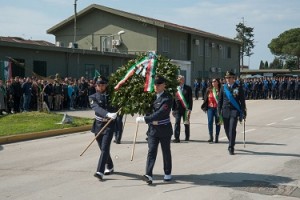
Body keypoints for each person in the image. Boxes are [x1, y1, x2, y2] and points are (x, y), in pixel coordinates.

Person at [136, 75, 173, 185]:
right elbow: (147, 109)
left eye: (159, 84)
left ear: (164, 85)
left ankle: (167, 172)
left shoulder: (167, 98)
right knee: (151, 151)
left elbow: (161, 113)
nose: (156, 87)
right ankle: (148, 174)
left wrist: (145, 119)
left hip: (164, 129)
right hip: (152, 130)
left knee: (166, 151)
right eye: (155, 84)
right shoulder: (150, 97)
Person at [89, 77, 118, 180]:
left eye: (102, 85)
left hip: (109, 125)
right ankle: (110, 166)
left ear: (106, 85)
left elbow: (118, 106)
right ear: (96, 86)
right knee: (102, 149)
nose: (100, 87)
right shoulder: (92, 97)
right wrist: (107, 113)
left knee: (105, 148)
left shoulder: (113, 96)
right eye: (98, 85)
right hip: (98, 125)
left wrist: (116, 112)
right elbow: (96, 108)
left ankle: (100, 171)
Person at [218, 71, 246, 155]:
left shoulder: (238, 87)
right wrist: (218, 110)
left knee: (232, 129)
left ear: (233, 78)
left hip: (234, 111)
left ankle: (231, 147)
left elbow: (242, 100)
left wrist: (243, 111)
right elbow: (220, 100)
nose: (227, 79)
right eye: (226, 78)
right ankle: (231, 141)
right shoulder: (223, 88)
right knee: (226, 129)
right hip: (225, 110)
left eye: (229, 77)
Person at [172, 75, 193, 142]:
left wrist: (190, 109)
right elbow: (173, 99)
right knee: (177, 122)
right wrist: (173, 109)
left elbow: (190, 99)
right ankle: (177, 138)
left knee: (186, 123)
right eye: (179, 79)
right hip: (177, 109)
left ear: (183, 80)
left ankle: (187, 137)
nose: (180, 80)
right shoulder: (175, 88)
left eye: (181, 79)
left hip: (185, 109)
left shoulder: (188, 88)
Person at [201, 78, 221, 143]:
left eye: (215, 81)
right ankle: (211, 137)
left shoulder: (221, 90)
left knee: (218, 122)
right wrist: (204, 107)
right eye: (212, 82)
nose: (213, 83)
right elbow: (205, 99)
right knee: (210, 122)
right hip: (210, 108)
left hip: (217, 108)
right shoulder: (209, 90)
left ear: (217, 82)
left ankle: (217, 136)